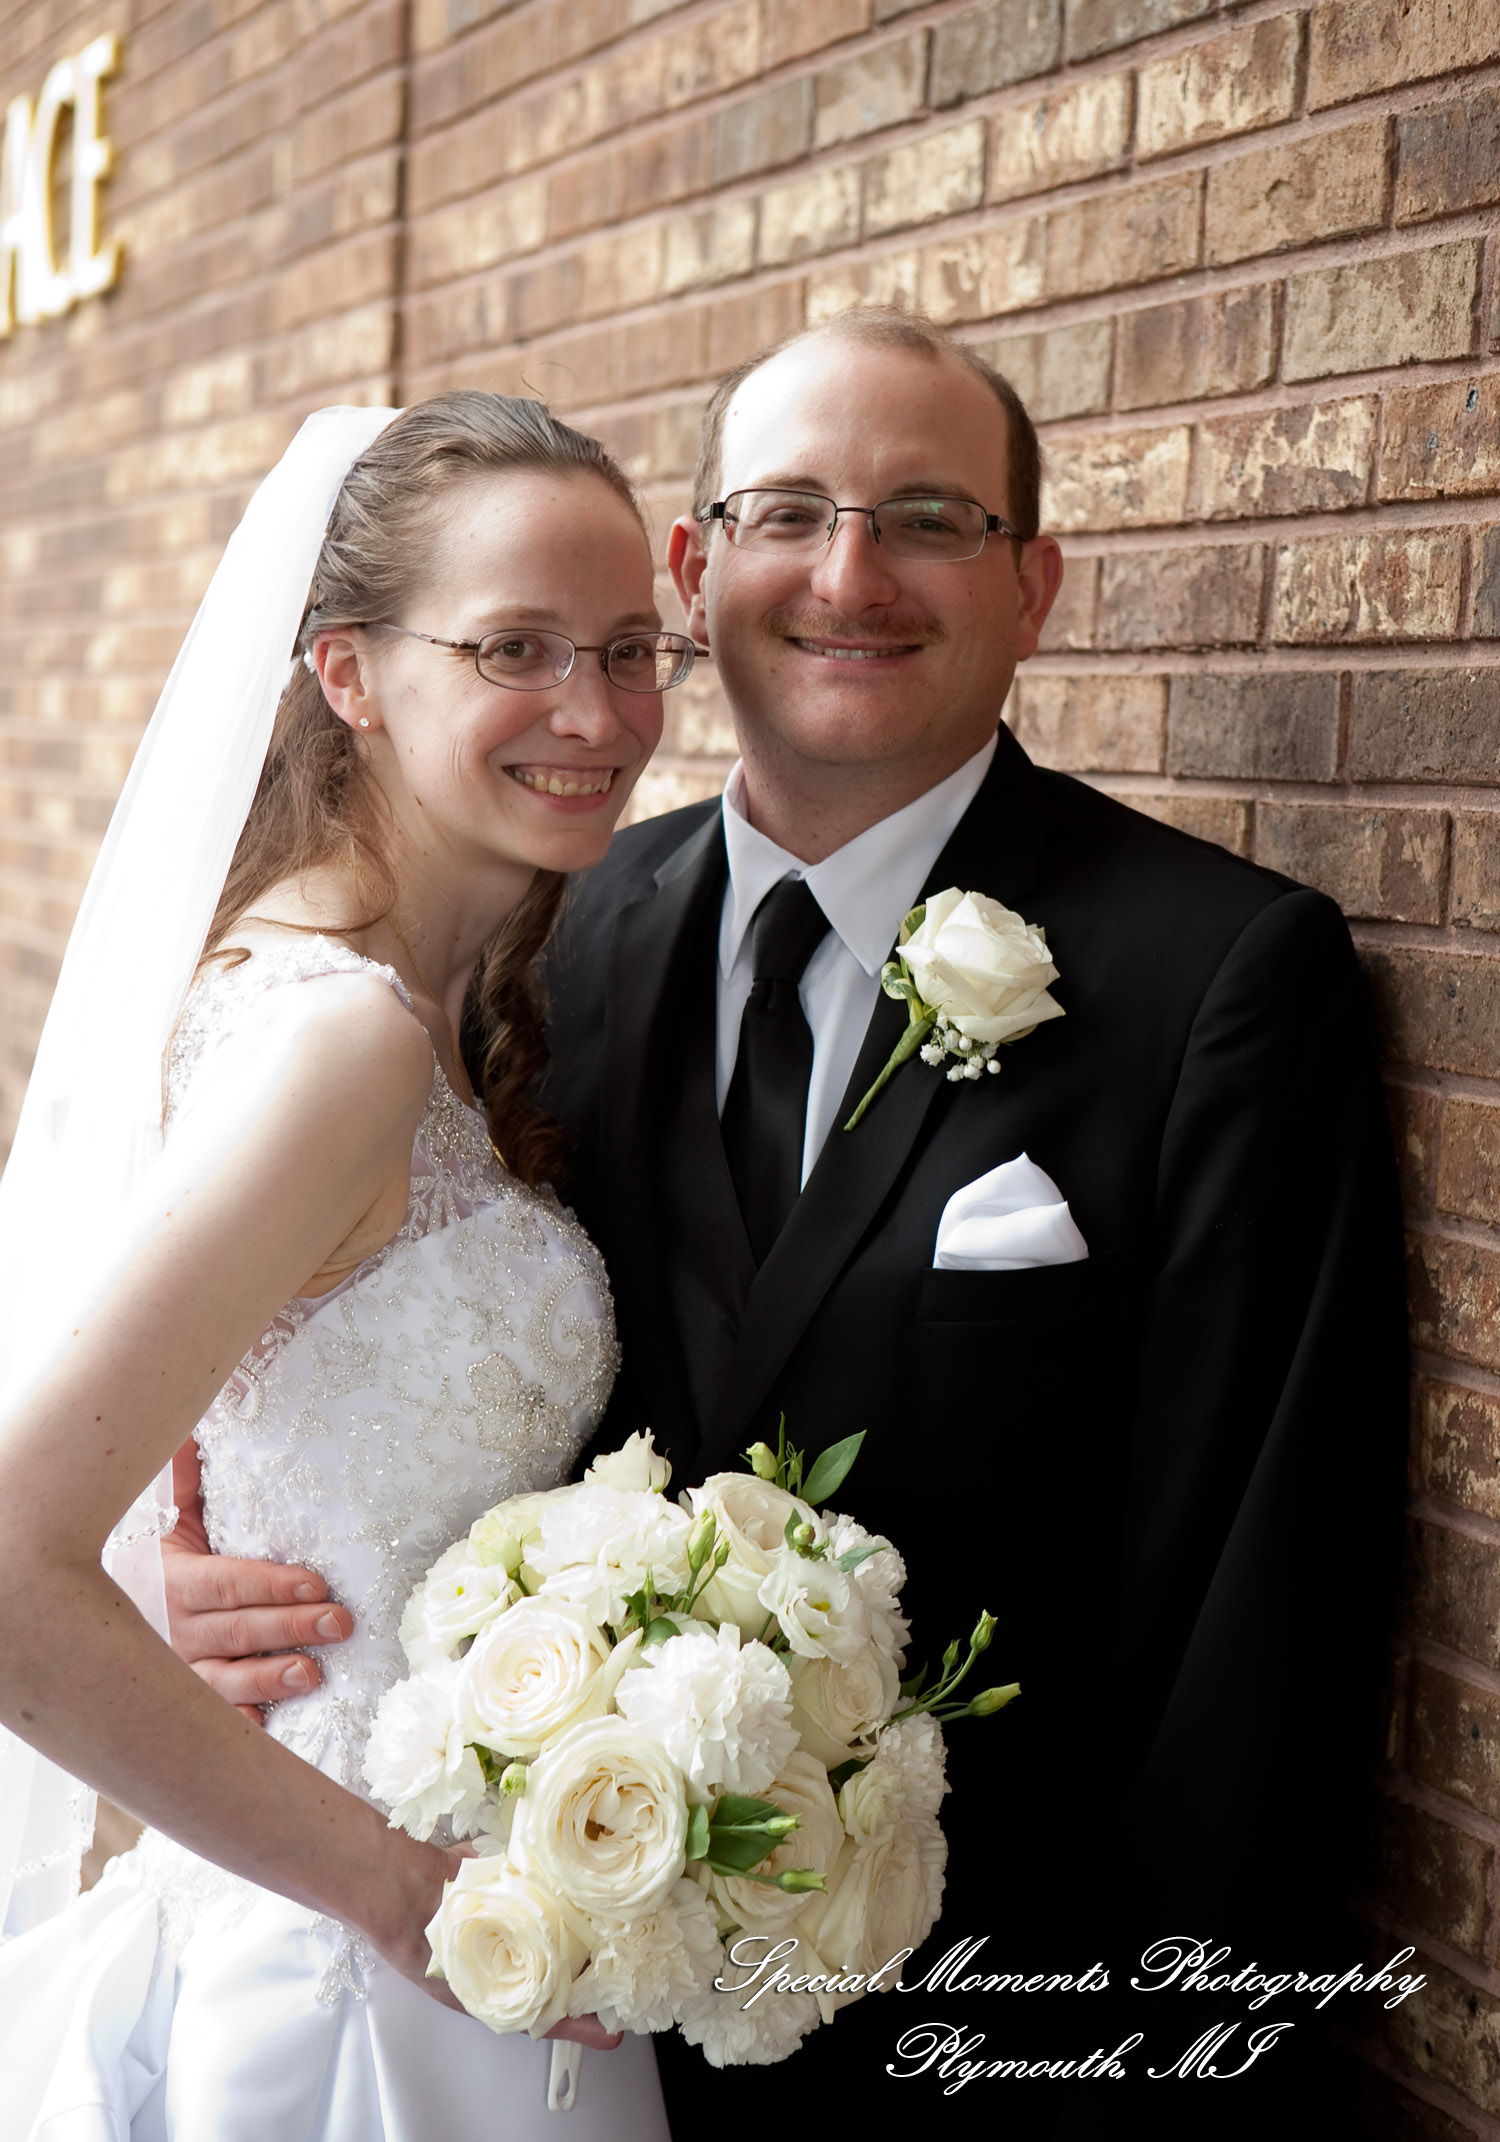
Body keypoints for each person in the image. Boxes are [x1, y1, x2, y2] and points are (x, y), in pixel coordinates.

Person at [162, 310, 1409, 2135]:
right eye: (786, 513)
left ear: (1033, 583)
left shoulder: (1218, 973)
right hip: (557, 2009)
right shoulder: (551, 938)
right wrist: (213, 1575)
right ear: (698, 566)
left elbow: (1262, 1618)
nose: (850, 575)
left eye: (928, 517)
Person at [0, 391, 695, 2139]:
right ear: (350, 672)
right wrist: (397, 1891)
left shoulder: (442, 999)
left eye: (630, 648)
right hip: (351, 1980)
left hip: (465, 1932)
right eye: (515, 647)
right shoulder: (345, 1043)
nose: (598, 712)